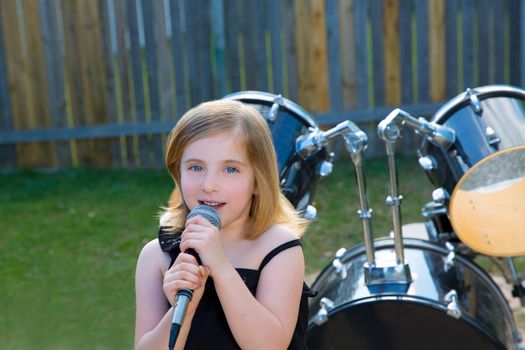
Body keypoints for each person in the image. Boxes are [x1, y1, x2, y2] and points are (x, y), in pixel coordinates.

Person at [134, 99, 312, 349]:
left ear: (258, 181)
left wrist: (220, 266)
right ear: (178, 174)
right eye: (196, 167)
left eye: (230, 170)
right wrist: (182, 309)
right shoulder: (156, 257)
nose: (209, 184)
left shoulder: (279, 247)